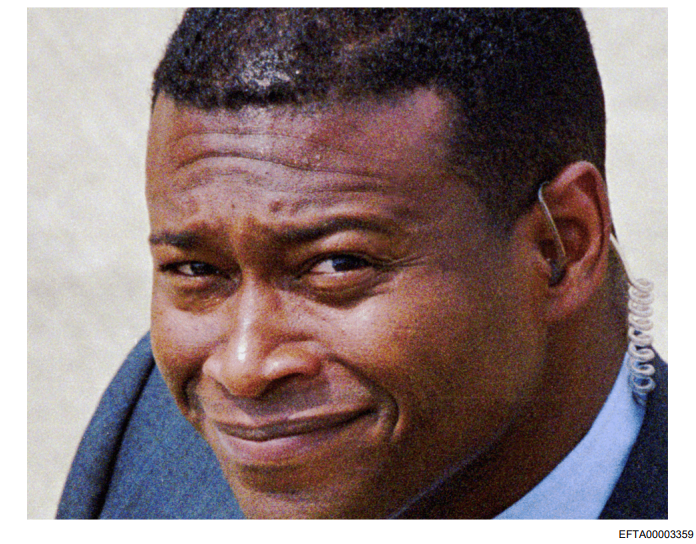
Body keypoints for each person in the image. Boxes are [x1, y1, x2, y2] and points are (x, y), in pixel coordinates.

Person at [56, 8, 666, 519]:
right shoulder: (151, 439)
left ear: (561, 248)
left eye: (336, 264)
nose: (242, 370)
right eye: (195, 270)